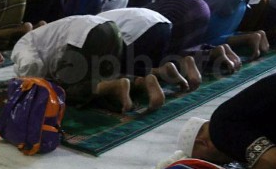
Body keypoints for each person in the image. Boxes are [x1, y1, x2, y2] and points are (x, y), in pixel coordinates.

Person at [11, 14, 165, 112]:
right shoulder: (41, 35)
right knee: (105, 77)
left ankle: (116, 86)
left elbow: (29, 66)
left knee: (64, 89)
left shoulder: (23, 43)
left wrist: (29, 87)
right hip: (110, 29)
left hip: (84, 35)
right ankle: (141, 82)